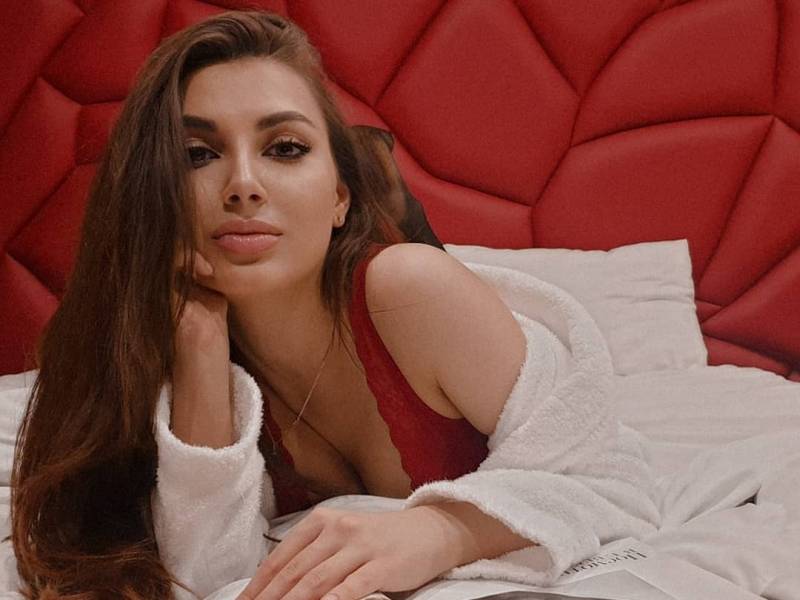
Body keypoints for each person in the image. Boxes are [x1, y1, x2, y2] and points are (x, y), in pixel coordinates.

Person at [9, 10, 661, 600]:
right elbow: (207, 576)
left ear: (340, 197)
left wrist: (443, 531)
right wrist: (199, 344)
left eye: (285, 149)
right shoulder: (177, 350)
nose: (243, 185)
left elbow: (616, 483)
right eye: (198, 155)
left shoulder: (410, 290)